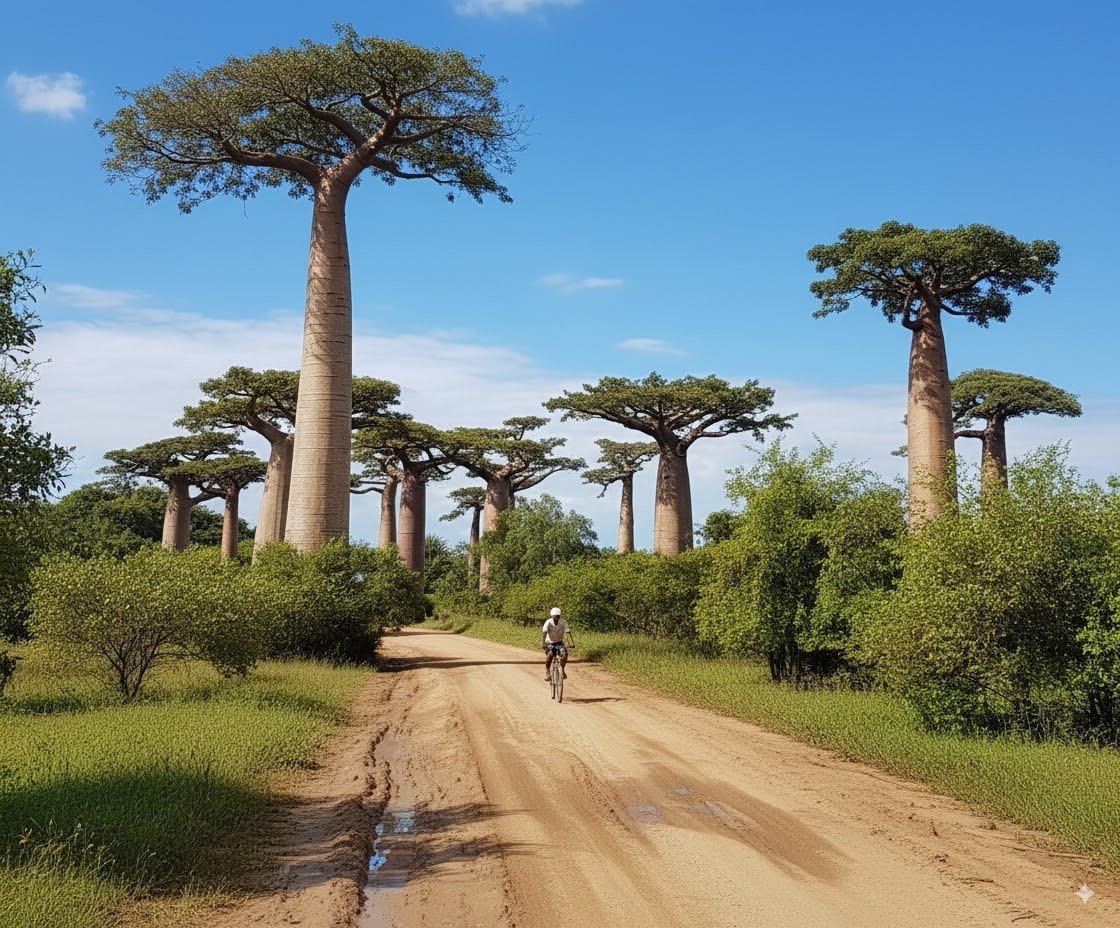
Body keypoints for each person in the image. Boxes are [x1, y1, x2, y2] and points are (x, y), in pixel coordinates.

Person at [542, 606, 575, 681]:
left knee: (564, 655)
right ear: (552, 616)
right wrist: (543, 643)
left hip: (559, 642)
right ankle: (547, 671)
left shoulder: (563, 622)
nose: (557, 617)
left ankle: (562, 670)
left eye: (558, 616)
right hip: (549, 642)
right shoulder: (548, 622)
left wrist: (571, 643)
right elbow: (544, 633)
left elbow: (567, 633)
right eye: (555, 616)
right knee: (550, 654)